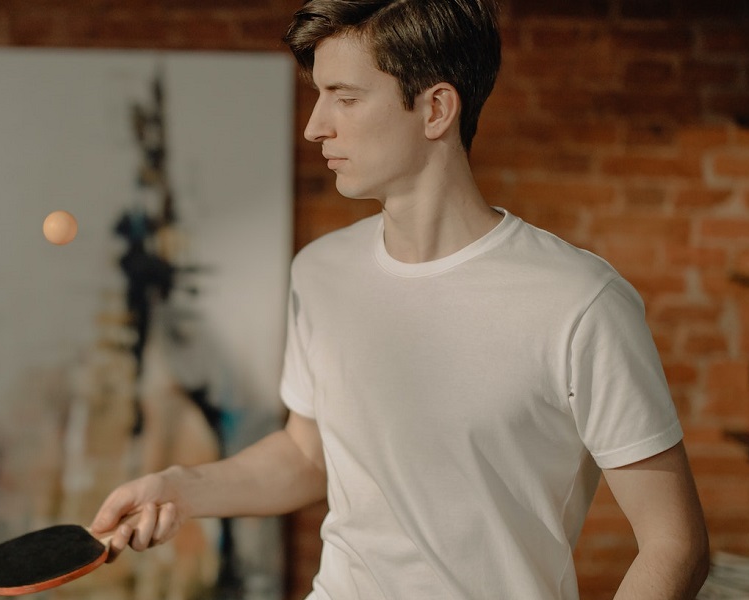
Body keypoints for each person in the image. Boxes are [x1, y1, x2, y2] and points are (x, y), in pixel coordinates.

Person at [90, 0, 711, 597]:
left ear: (436, 108)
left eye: (346, 97)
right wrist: (178, 487)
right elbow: (309, 457)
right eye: (319, 94)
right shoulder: (320, 273)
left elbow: (674, 543)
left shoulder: (580, 303)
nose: (314, 125)